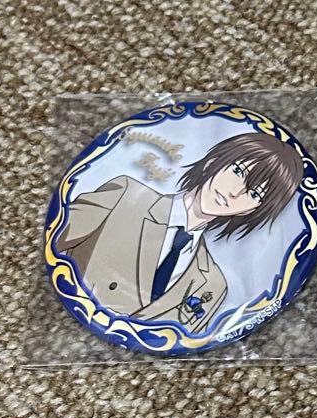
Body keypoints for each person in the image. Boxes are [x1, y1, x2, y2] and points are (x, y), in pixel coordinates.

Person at [56, 133, 301, 331]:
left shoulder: (212, 285)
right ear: (214, 162)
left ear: (253, 210)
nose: (235, 193)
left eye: (254, 194)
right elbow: (54, 242)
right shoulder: (124, 196)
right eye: (238, 172)